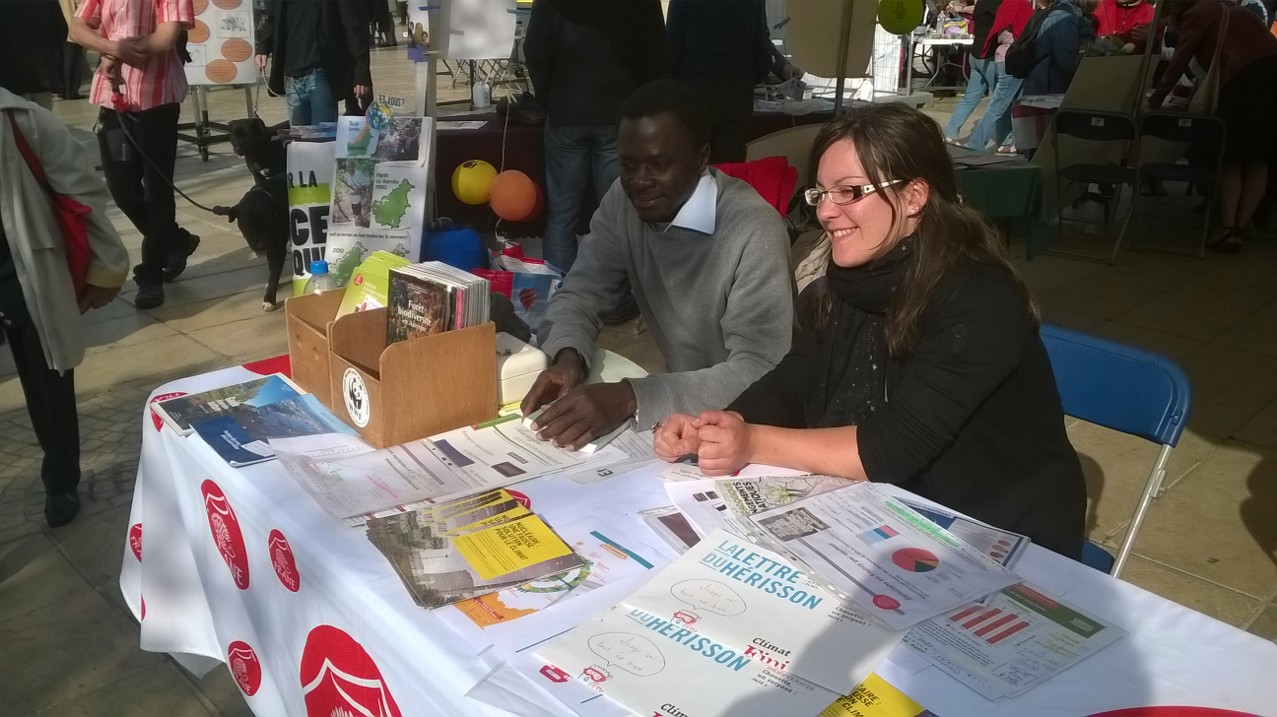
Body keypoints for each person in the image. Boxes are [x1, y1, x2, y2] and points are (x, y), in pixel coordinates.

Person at [654, 104, 1088, 559]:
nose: (826, 211)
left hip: (997, 533)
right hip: (893, 512)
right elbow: (796, 378)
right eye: (820, 193)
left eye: (850, 192)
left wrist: (754, 443)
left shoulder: (978, 298)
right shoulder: (846, 281)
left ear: (914, 196)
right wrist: (726, 424)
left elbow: (889, 448)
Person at [521, 79, 794, 451]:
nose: (640, 182)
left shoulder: (753, 229)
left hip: (751, 428)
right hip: (681, 418)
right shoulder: (623, 200)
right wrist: (569, 355)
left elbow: (763, 369)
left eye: (659, 164)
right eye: (628, 165)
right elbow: (582, 292)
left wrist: (631, 397)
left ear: (701, 158)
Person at [1, 89, 130, 527]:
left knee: (48, 382)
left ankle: (61, 479)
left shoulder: (22, 119)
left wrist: (106, 266)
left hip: (23, 274)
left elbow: (85, 195)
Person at [69, 0, 201, 310]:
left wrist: (118, 52)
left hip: (157, 100)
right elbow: (77, 29)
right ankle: (176, 240)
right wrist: (114, 47)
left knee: (157, 192)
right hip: (114, 100)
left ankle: (150, 275)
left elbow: (166, 37)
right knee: (122, 189)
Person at [523, 0, 666, 275]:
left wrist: (546, 95)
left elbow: (535, 48)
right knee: (620, 213)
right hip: (620, 113)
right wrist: (641, 102)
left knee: (562, 216)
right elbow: (656, 53)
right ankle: (619, 293)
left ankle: (558, 293)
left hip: (567, 109)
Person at [1151, 0, 1277, 253]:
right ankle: (1239, 228)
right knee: (1258, 160)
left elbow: (1180, 59)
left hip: (1244, 81)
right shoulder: (1231, 9)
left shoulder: (1198, 13)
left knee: (1231, 158)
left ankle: (1227, 229)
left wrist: (1154, 101)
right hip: (1272, 76)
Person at [667, 0, 774, 163]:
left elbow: (671, 53)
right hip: (736, 97)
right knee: (728, 172)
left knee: (691, 169)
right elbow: (762, 59)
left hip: (694, 94)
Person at [254, 0, 373, 126]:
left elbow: (355, 28)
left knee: (323, 140)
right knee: (298, 142)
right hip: (291, 75)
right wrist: (263, 48)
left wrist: (361, 73)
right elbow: (273, 18)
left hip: (321, 73)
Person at [967, 0, 1034, 152]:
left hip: (1001, 55)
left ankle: (1006, 142)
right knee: (998, 105)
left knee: (1007, 103)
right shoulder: (1019, 4)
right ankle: (976, 144)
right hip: (1013, 57)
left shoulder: (1005, 4)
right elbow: (1025, 33)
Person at [945, 0, 1007, 144]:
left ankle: (950, 133)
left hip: (975, 55)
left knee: (970, 98)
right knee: (1001, 101)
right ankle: (1006, 141)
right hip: (988, 57)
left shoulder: (981, 4)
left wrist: (963, 8)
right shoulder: (998, 4)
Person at [1020, 0, 1095, 95]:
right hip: (1048, 92)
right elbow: (1066, 61)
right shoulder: (1064, 17)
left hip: (1047, 88)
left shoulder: (1069, 14)